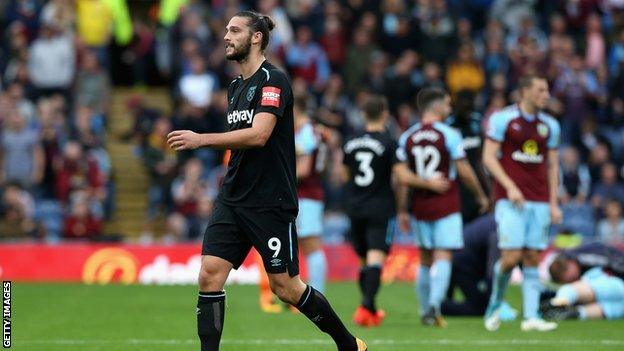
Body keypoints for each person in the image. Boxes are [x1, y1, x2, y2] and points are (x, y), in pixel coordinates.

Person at [166, 11, 367, 351]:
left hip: (269, 201)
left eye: (235, 30)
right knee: (209, 274)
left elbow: (259, 135)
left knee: (286, 288)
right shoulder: (234, 87)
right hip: (233, 198)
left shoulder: (274, 81)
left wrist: (201, 140)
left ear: (255, 37)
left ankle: (348, 344)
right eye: (226, 30)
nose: (226, 36)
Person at [396, 88, 489, 327]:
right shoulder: (449, 134)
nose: (450, 109)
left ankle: (425, 308)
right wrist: (480, 194)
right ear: (435, 106)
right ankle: (435, 309)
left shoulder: (407, 136)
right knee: (444, 256)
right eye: (447, 104)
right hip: (446, 204)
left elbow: (400, 178)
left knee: (425, 260)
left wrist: (402, 210)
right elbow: (465, 171)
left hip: (419, 205)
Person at [483, 75, 562, 332]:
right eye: (541, 89)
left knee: (532, 256)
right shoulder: (503, 119)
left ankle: (531, 317)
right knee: (510, 257)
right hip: (510, 200)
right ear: (525, 91)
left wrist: (553, 202)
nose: (546, 94)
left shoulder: (550, 125)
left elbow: (552, 165)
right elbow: (488, 157)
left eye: (547, 89)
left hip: (539, 200)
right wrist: (510, 186)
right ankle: (495, 304)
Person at [341, 95, 397, 327]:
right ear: (384, 113)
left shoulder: (350, 141)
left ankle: (370, 309)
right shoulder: (389, 142)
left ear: (363, 114)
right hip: (380, 207)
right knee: (375, 259)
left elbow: (345, 176)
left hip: (355, 207)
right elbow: (398, 177)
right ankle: (365, 306)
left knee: (364, 261)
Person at [294, 95, 328, 293]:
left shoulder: (306, 132)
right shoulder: (312, 131)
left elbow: (304, 169)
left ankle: (317, 295)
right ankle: (300, 294)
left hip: (307, 195)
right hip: (305, 195)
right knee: (299, 245)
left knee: (311, 244)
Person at [542, 242, 624, 321]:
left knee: (590, 286)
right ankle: (574, 313)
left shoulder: (583, 256)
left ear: (569, 263)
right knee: (618, 306)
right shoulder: (575, 262)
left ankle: (560, 301)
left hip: (611, 280)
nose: (572, 280)